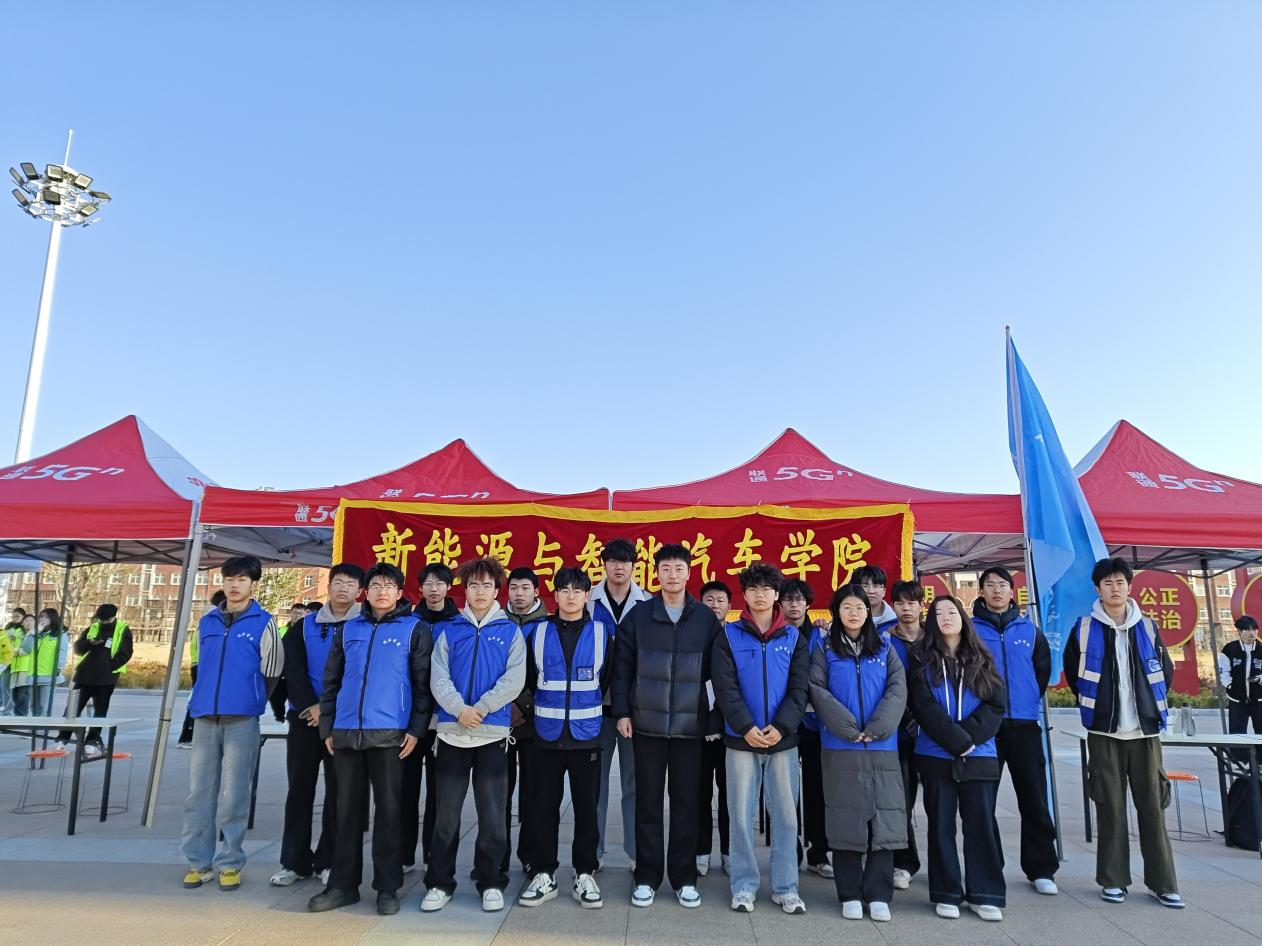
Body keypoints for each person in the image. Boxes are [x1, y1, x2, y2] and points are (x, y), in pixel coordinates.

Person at [308, 562, 432, 916]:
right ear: (366, 591)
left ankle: (387, 887)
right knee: (345, 812)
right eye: (375, 585)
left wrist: (416, 729)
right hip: (346, 733)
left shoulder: (414, 629)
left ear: (399, 592)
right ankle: (342, 885)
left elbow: (422, 685)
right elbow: (331, 681)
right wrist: (327, 727)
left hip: (391, 735)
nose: (381, 591)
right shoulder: (349, 629)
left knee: (390, 812)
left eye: (388, 586)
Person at [1063, 557, 1182, 909]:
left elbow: (1165, 671)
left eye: (1120, 582)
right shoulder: (1084, 628)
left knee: (1153, 809)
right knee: (1110, 808)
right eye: (1107, 583)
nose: (1114, 588)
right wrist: (1099, 708)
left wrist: (1148, 709)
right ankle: (1113, 880)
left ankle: (1164, 883)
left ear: (1130, 586)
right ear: (1097, 589)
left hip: (1145, 733)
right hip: (1105, 732)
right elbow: (1073, 673)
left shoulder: (1147, 626)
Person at [611, 543, 723, 910]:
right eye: (666, 569)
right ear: (656, 573)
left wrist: (711, 720)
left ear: (689, 573)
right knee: (647, 803)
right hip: (647, 726)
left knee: (687, 804)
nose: (672, 575)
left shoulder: (704, 619)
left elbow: (718, 675)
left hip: (691, 728)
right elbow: (622, 669)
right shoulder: (640, 616)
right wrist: (623, 713)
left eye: (678, 568)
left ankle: (684, 878)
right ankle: (646, 877)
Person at [422, 557, 526, 914]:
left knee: (493, 816)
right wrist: (458, 709)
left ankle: (491, 880)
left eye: (487, 585)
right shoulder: (450, 631)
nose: (480, 591)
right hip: (452, 733)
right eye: (473, 585)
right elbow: (438, 676)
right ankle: (439, 882)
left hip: (492, 734)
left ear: (497, 591)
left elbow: (514, 679)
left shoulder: (510, 632)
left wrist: (480, 708)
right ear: (464, 591)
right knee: (445, 815)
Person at [711, 564, 809, 915]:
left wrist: (781, 726)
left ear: (776, 594)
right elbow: (725, 687)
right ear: (745, 595)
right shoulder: (728, 636)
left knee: (786, 817)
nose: (760, 594)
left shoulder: (794, 638)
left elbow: (799, 689)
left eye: (767, 588)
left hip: (783, 741)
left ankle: (785, 887)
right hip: (741, 740)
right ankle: (743, 885)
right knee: (740, 816)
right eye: (753, 589)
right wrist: (745, 726)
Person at [181, 556, 282, 892]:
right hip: (205, 717)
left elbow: (272, 670)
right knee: (199, 794)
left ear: (253, 584)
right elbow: (199, 665)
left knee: (235, 795)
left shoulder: (264, 623)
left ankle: (230, 861)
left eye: (241, 579)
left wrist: (251, 698)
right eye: (229, 578)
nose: (234, 585)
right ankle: (198, 862)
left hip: (242, 718)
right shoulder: (207, 621)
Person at [516, 567, 613, 910]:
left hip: (586, 737)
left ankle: (585, 871)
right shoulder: (537, 632)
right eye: (564, 590)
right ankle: (544, 873)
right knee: (543, 808)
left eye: (577, 591)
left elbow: (606, 678)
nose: (571, 596)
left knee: (587, 809)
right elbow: (527, 679)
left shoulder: (602, 633)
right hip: (546, 735)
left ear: (587, 596)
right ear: (554, 595)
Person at [810, 584, 907, 922]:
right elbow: (817, 690)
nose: (854, 613)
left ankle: (878, 893)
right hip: (841, 744)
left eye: (860, 607)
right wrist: (848, 728)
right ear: (837, 611)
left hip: (882, 745)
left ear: (869, 612)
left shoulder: (886, 646)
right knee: (845, 817)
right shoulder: (824, 648)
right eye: (847, 607)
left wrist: (879, 727)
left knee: (884, 817)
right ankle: (849, 892)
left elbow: (898, 689)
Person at [908, 595, 1007, 922]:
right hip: (936, 755)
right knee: (941, 826)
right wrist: (954, 740)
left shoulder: (982, 659)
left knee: (981, 825)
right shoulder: (921, 660)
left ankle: (985, 893)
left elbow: (996, 705)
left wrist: (968, 739)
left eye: (952, 611)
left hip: (979, 755)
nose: (946, 617)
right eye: (939, 613)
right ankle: (946, 892)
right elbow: (922, 706)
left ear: (963, 618)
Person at [270, 564, 364, 889]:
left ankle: (329, 860)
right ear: (328, 586)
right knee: (299, 790)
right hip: (305, 719)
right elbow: (292, 669)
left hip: (343, 722)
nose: (343, 588)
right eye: (338, 582)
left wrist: (328, 709)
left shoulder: (364, 626)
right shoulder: (304, 626)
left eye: (350, 584)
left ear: (359, 591)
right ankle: (294, 862)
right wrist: (311, 705)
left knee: (339, 793)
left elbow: (360, 674)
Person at [971, 566, 1058, 895]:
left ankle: (1041, 869)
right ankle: (988, 866)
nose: (997, 590)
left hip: (1024, 726)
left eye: (1002, 585)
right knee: (983, 801)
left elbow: (1041, 673)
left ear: (1012, 591)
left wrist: (1025, 700)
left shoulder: (1031, 631)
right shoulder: (970, 630)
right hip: (985, 726)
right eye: (990, 585)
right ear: (981, 591)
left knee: (1034, 798)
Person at [590, 536, 651, 870]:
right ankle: (594, 852)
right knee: (595, 785)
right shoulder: (588, 601)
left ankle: (635, 852)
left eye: (625, 561)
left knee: (635, 784)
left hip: (635, 711)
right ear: (604, 565)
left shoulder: (647, 603)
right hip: (596, 709)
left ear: (633, 566)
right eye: (612, 561)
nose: (618, 567)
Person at [404, 562, 460, 873]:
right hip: (411, 720)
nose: (434, 589)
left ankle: (434, 856)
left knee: (441, 793)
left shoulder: (459, 624)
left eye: (440, 583)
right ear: (420, 588)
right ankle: (403, 855)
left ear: (449, 587)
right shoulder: (408, 622)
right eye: (428, 583)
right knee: (405, 789)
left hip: (445, 719)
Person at [782, 578, 831, 879]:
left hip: (814, 724)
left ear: (808, 604)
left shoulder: (822, 636)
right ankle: (791, 852)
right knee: (786, 793)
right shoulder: (776, 634)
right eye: (788, 599)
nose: (794, 604)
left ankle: (819, 852)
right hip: (785, 724)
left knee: (816, 789)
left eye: (799, 599)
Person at [504, 566, 548, 877]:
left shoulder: (548, 626)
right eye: (514, 588)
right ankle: (497, 856)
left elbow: (549, 670)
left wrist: (523, 705)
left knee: (534, 792)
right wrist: (505, 704)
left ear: (536, 592)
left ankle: (530, 855)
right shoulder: (496, 622)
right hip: (499, 719)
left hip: (534, 722)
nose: (519, 594)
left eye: (525, 588)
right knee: (498, 793)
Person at [887, 579, 925, 890]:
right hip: (899, 731)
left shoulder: (936, 638)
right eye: (900, 603)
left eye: (911, 602)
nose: (906, 608)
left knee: (940, 802)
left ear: (921, 605)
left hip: (935, 732)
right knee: (902, 800)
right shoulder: (885, 640)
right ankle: (904, 862)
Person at [57, 603, 133, 752]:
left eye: (105, 619)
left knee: (100, 711)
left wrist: (109, 667)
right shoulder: (93, 627)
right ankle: (63, 738)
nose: (102, 622)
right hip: (84, 674)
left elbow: (126, 653)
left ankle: (92, 740)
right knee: (72, 708)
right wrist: (90, 643)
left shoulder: (122, 629)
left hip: (106, 678)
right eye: (100, 619)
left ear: (113, 616)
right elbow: (78, 648)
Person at [696, 580, 733, 877]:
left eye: (720, 600)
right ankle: (701, 851)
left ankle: (729, 852)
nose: (715, 605)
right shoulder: (692, 636)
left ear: (730, 606)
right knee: (699, 794)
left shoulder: (737, 635)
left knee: (730, 796)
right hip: (697, 729)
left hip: (732, 730)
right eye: (709, 600)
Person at [179, 590, 226, 749]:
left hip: (200, 664)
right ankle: (187, 736)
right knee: (200, 700)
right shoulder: (213, 618)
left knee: (203, 700)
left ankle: (192, 736)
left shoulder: (209, 617)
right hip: (205, 665)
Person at [11, 609, 67, 717]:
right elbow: (25, 648)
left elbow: (62, 652)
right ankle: (35, 726)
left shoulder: (60, 634)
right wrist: (33, 633)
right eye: (41, 617)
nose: (42, 619)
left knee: (44, 707)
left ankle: (43, 726)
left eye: (46, 617)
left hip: (49, 675)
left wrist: (58, 668)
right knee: (34, 707)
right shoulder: (37, 633)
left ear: (52, 619)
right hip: (34, 675)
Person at [1219, 615, 1262, 735]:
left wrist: (1259, 679)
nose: (1252, 633)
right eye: (1247, 629)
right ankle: (1238, 749)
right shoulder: (1229, 649)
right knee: (1237, 735)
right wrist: (1230, 685)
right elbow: (1223, 672)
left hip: (1259, 700)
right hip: (1237, 700)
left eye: (1255, 629)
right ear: (1239, 631)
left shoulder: (1261, 649)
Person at [267, 602, 306, 724]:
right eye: (295, 613)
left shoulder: (308, 632)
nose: (297, 616)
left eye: (300, 613)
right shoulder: (281, 630)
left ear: (305, 615)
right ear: (290, 614)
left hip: (298, 673)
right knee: (276, 698)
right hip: (281, 672)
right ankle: (280, 718)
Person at [854, 565, 898, 634]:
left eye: (876, 586)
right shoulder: (846, 620)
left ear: (884, 592)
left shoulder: (895, 621)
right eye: (865, 586)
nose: (871, 591)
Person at [0, 607, 25, 714]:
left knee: (15, 689)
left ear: (23, 617)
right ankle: (6, 709)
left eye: (17, 616)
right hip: (6, 662)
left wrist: (16, 638)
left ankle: (13, 709)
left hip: (19, 663)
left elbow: (27, 644)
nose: (15, 619)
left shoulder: (24, 629)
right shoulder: (8, 628)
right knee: (4, 686)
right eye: (13, 616)